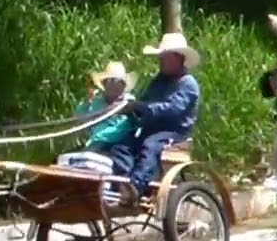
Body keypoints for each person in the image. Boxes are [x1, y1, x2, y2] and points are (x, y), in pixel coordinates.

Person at [107, 32, 202, 202]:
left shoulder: (188, 84)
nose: (161, 62)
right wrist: (129, 108)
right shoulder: (159, 81)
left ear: (178, 58)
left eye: (165, 58)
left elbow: (173, 109)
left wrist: (141, 107)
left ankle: (136, 185)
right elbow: (146, 103)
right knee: (121, 147)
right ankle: (126, 183)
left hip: (174, 133)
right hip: (150, 130)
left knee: (150, 146)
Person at [76, 61, 138, 154]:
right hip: (94, 143)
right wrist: (87, 102)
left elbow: (127, 127)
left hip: (118, 143)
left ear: (123, 85)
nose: (113, 84)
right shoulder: (97, 101)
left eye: (117, 81)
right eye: (110, 81)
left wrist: (99, 138)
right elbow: (81, 118)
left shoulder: (129, 102)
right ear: (104, 84)